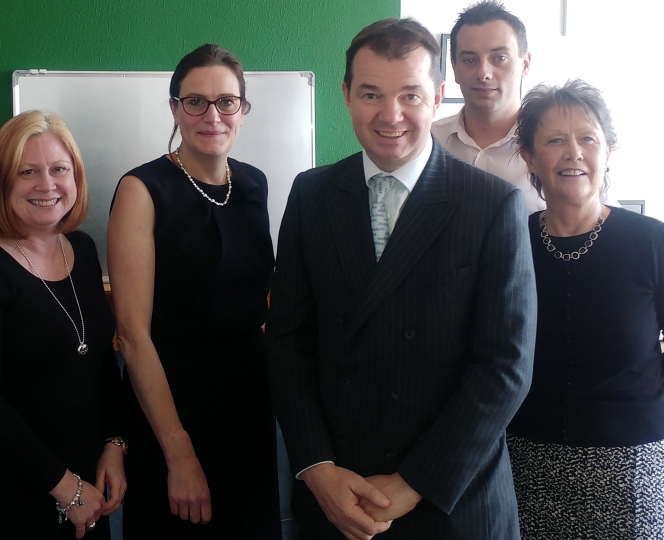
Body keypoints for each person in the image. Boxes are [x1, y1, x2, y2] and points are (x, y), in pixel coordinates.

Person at [267, 18, 537, 539]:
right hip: (337, 497)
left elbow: (505, 367)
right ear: (346, 95)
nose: (390, 115)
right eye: (371, 94)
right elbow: (287, 343)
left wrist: (415, 481)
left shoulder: (491, 204)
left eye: (410, 95)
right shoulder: (311, 195)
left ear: (437, 96)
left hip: (452, 500)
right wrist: (317, 468)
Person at [107, 44, 280, 539]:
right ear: (174, 108)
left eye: (227, 101)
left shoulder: (253, 185)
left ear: (242, 110)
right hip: (172, 408)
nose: (213, 115)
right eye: (195, 101)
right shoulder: (142, 190)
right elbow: (133, 336)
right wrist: (178, 450)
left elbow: (259, 306)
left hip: (249, 405)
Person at [0, 111, 125, 539]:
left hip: (87, 494)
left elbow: (98, 365)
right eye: (27, 172)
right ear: (1, 181)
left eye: (59, 169)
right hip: (6, 499)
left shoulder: (81, 249)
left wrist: (114, 446)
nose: (47, 184)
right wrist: (66, 489)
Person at [507, 79, 664, 538]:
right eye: (555, 140)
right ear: (530, 158)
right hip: (525, 460)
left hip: (630, 464)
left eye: (587, 138)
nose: (572, 152)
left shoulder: (650, 241)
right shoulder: (509, 242)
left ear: (608, 151)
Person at [431, 0, 544, 213]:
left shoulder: (555, 146)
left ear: (525, 63)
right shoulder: (427, 142)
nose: (484, 73)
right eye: (470, 60)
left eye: (499, 58)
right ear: (454, 68)